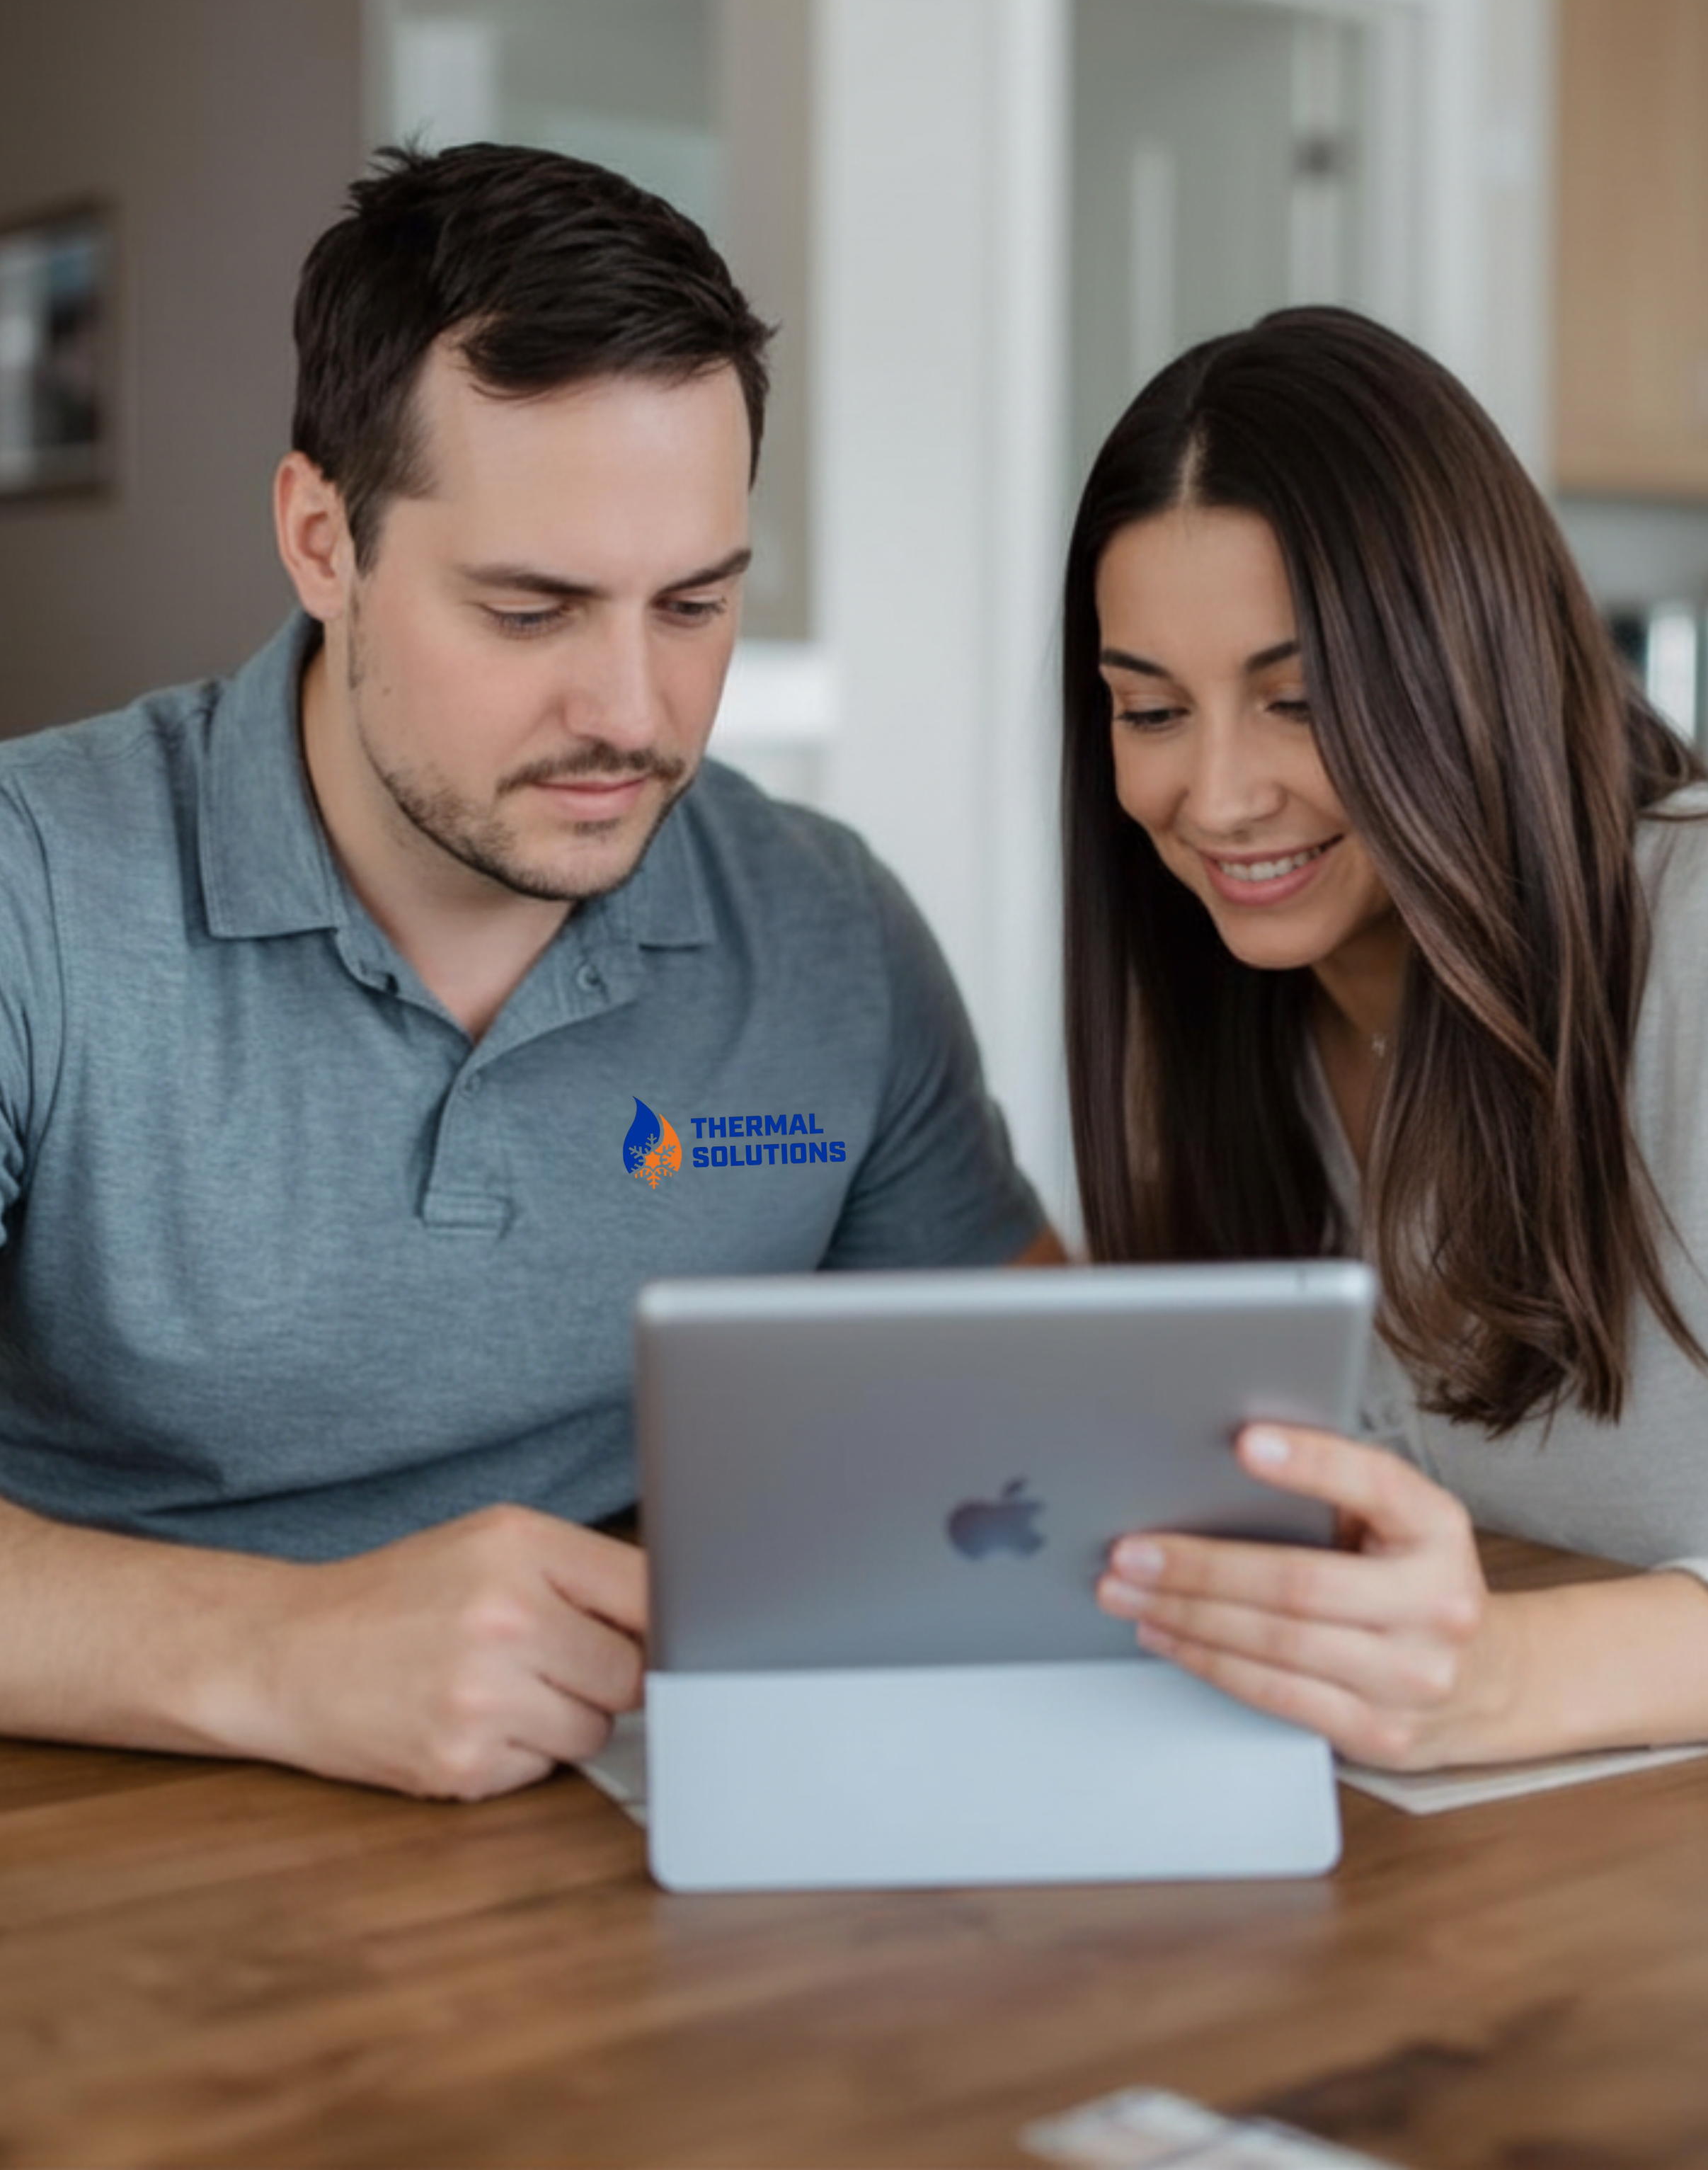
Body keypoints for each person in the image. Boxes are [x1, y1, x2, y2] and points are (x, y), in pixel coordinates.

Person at [0, 143, 1052, 1800]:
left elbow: (1040, 1404)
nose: (634, 713)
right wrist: (278, 1651)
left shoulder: (825, 928)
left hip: (615, 1826)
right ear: (320, 539)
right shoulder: (32, 894)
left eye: (694, 604)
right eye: (531, 609)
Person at [1066, 305, 1708, 1771]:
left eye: (1300, 700)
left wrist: (1499, 1678)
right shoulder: (1221, 1033)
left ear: (1471, 660)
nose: (1214, 795)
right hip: (1443, 1891)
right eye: (1146, 708)